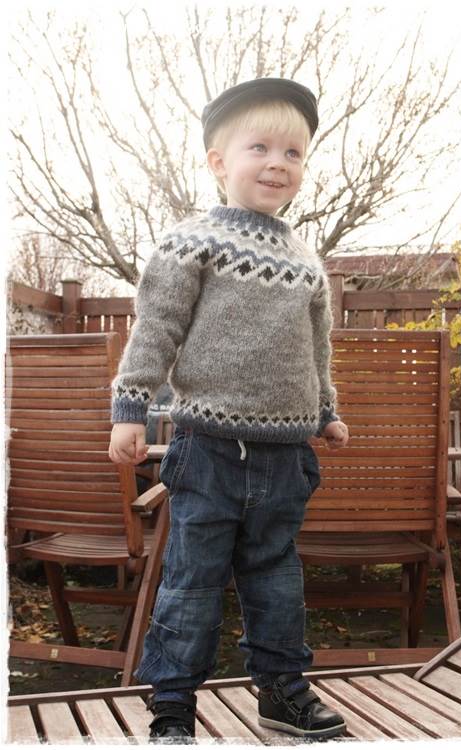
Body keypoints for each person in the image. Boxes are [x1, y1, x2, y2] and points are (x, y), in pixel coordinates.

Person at [108, 77, 349, 743]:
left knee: (277, 580)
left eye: (293, 153)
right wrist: (130, 407)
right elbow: (156, 328)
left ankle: (281, 691)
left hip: (285, 456)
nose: (278, 163)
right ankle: (172, 704)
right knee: (192, 580)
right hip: (208, 450)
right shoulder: (192, 242)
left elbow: (316, 348)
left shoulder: (306, 262)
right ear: (219, 161)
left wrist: (325, 410)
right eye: (259, 147)